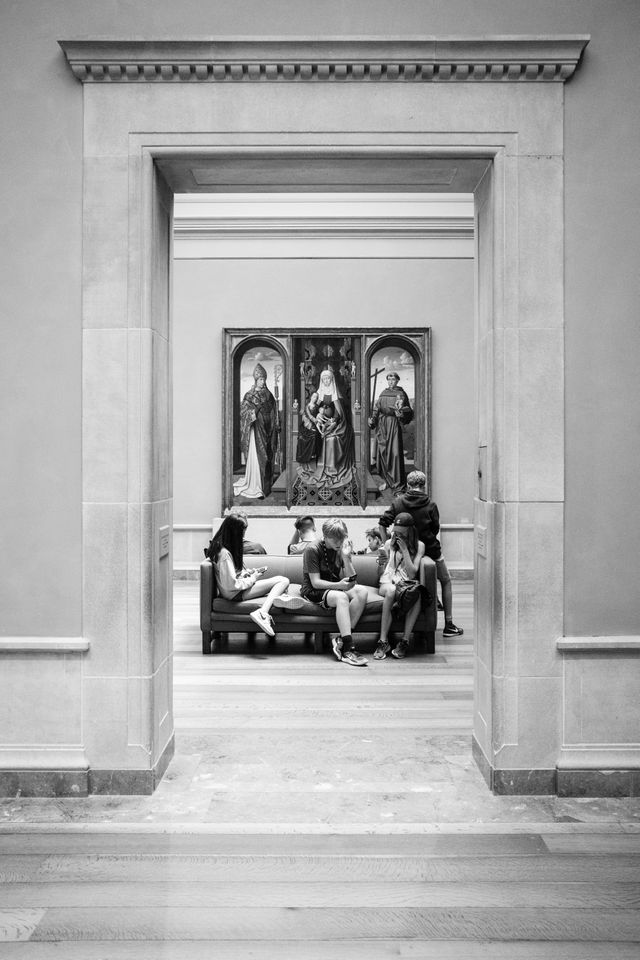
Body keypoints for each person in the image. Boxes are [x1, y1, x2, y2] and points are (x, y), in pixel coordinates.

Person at [379, 470, 464, 638]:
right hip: (430, 550)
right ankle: (448, 624)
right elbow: (435, 529)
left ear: (408, 485)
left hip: (403, 550)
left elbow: (382, 524)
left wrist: (386, 543)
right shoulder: (431, 504)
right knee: (445, 580)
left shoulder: (398, 503)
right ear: (423, 486)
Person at [209, 515, 303, 637]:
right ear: (234, 532)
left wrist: (247, 573)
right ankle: (263, 613)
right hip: (235, 594)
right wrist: (253, 578)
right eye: (242, 531)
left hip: (234, 592)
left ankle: (281, 598)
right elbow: (232, 584)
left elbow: (231, 576)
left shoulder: (221, 549)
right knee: (283, 581)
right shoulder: (224, 554)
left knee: (280, 584)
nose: (243, 535)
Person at [300, 518, 370, 666]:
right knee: (342, 597)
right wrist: (339, 585)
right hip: (313, 590)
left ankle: (342, 640)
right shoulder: (312, 549)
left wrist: (346, 557)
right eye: (334, 539)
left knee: (362, 592)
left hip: (333, 586)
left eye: (341, 538)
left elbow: (352, 581)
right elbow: (315, 583)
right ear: (324, 536)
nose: (338, 542)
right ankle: (348, 649)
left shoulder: (340, 548)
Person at [374, 513, 426, 660]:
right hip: (388, 583)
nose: (396, 535)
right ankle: (383, 641)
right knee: (390, 590)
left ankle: (405, 641)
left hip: (405, 583)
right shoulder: (389, 543)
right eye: (395, 531)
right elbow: (381, 574)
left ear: (410, 531)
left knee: (418, 593)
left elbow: (412, 573)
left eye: (401, 532)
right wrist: (382, 562)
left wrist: (405, 550)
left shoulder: (419, 546)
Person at [234, 362, 279, 499]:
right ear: (255, 380)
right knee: (259, 457)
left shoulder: (269, 394)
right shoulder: (249, 395)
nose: (262, 381)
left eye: (264, 379)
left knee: (268, 455)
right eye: (260, 379)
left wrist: (275, 422)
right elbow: (244, 413)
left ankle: (266, 485)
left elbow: (274, 411)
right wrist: (253, 412)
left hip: (268, 429)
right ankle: (257, 485)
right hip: (256, 430)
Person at [368, 372, 414, 492]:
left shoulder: (401, 394)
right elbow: (376, 409)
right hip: (382, 425)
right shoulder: (383, 393)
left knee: (395, 454)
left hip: (394, 424)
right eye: (389, 379)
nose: (391, 382)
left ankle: (398, 485)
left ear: (397, 381)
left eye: (393, 379)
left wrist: (401, 414)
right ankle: (387, 481)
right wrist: (372, 419)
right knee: (383, 453)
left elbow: (409, 412)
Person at [311, 367, 355, 486]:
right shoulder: (319, 393)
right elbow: (313, 408)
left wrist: (334, 421)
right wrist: (318, 415)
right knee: (315, 435)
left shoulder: (336, 393)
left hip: (338, 424)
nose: (326, 381)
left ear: (332, 380)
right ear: (322, 380)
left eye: (328, 379)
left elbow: (339, 411)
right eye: (324, 379)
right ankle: (320, 466)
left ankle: (332, 467)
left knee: (332, 439)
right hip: (322, 422)